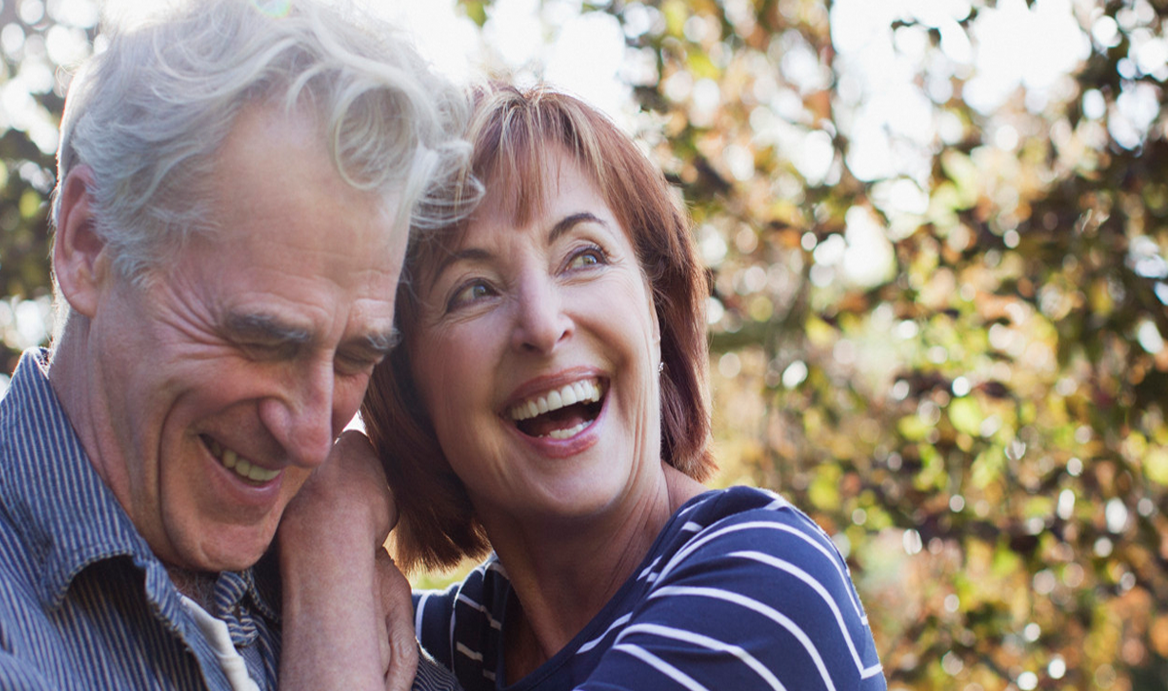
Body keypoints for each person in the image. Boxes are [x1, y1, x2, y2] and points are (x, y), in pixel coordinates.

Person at [0, 1, 470, 689]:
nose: (314, 436)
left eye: (354, 358)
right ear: (88, 243)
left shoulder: (371, 614)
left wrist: (331, 558)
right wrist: (337, 590)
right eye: (263, 340)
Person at [353, 83, 887, 690]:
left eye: (582, 256)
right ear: (409, 390)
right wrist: (337, 506)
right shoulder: (455, 643)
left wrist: (332, 544)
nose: (542, 324)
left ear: (656, 314)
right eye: (473, 288)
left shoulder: (767, 589)